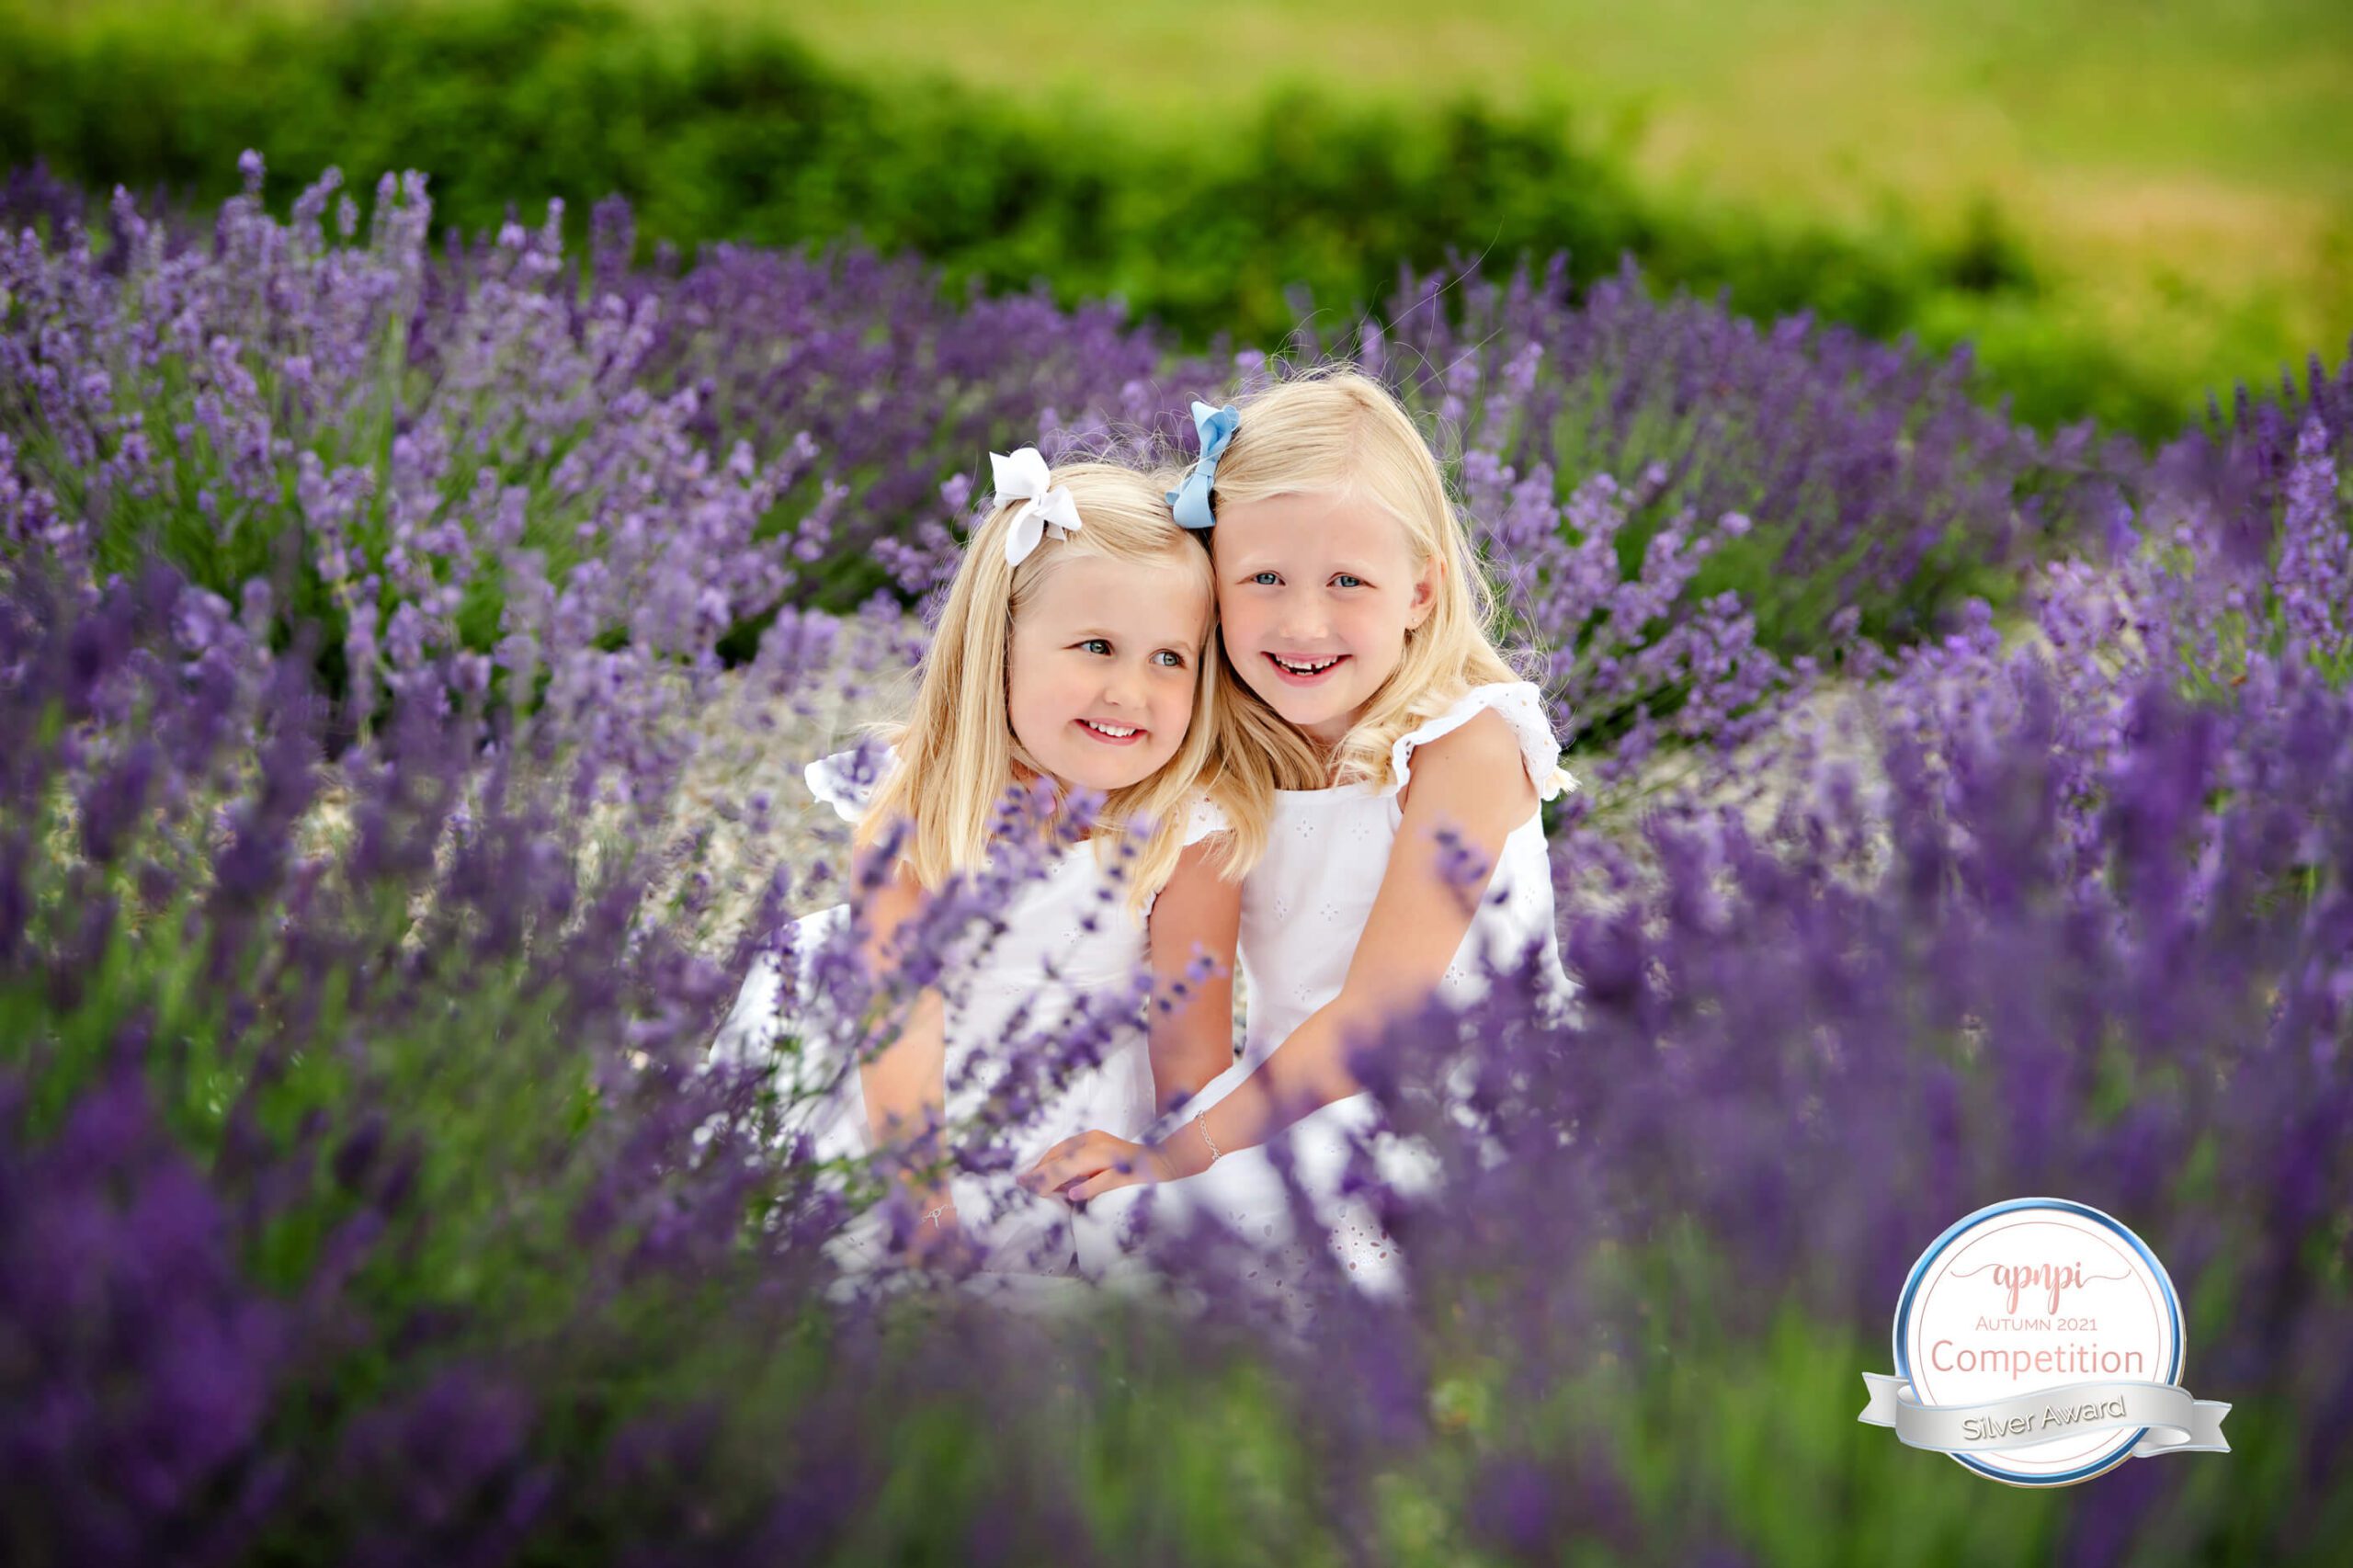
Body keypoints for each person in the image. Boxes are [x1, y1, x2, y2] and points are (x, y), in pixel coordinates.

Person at [1027, 372, 1580, 1309]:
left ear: (1420, 591)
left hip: (1466, 1114)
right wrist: (1169, 1143)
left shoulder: (1465, 741)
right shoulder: (1224, 765)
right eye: (1263, 579)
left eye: (1347, 583)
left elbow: (1376, 1015)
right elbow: (1188, 1031)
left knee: (1271, 1242)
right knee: (1076, 1199)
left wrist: (1175, 1159)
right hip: (1282, 1099)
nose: (1302, 622)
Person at [710, 451, 1227, 1282]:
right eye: (1097, 646)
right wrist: (928, 1209)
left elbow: (1191, 1049)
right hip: (909, 1106)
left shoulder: (1188, 827)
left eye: (1171, 658)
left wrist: (1168, 1171)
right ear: (1001, 648)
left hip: (1082, 1102)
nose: (1133, 691)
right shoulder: (917, 802)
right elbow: (899, 1024)